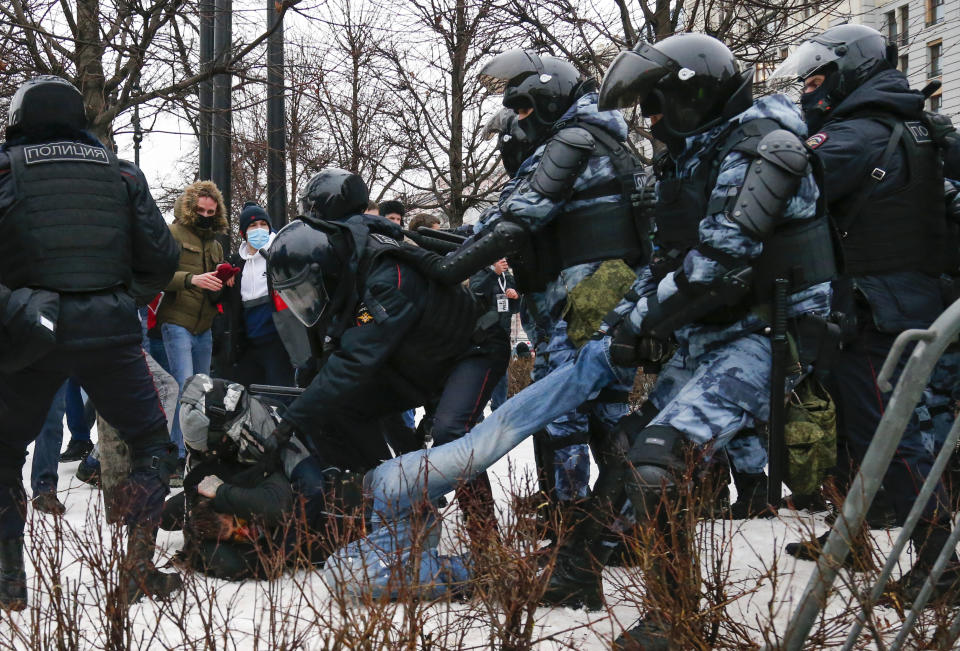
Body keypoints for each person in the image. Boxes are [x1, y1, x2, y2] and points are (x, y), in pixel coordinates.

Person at [772, 24, 960, 604]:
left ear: (850, 72)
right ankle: (855, 535)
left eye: (817, 75)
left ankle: (939, 568)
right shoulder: (922, 125)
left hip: (878, 311)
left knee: (888, 432)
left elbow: (782, 195)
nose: (808, 88)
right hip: (920, 304)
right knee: (891, 429)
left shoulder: (852, 135)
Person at [0, 75, 182, 609]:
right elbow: (163, 259)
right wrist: (121, 296)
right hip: (110, 328)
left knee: (5, 452)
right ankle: (138, 568)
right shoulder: (121, 172)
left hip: (29, 332)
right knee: (153, 445)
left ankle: (10, 581)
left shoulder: (6, 171)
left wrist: (17, 307)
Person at [271, 169, 509, 504]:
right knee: (337, 409)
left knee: (451, 433)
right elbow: (342, 347)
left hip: (472, 349)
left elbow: (355, 360)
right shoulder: (353, 261)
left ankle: (486, 544)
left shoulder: (385, 276)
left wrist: (290, 422)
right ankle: (389, 498)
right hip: (423, 357)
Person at [156, 180, 229, 482]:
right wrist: (191, 280)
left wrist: (224, 283)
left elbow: (214, 290)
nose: (205, 215)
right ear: (189, 208)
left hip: (204, 325)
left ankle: (195, 452)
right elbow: (158, 276)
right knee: (184, 389)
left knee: (200, 393)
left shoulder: (215, 245)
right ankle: (176, 455)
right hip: (177, 322)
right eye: (200, 210)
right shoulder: (172, 234)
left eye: (211, 211)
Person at [221, 202, 305, 387]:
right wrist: (222, 278)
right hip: (247, 344)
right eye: (253, 225)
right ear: (243, 232)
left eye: (263, 224)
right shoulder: (236, 262)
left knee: (280, 393)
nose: (259, 229)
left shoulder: (280, 252)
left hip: (278, 341)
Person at [469, 258, 519, 411]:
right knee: (479, 375)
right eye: (500, 258)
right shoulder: (479, 271)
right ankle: (475, 416)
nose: (504, 261)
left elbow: (515, 309)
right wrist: (493, 273)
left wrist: (515, 296)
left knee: (501, 376)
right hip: (484, 333)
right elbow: (476, 293)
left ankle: (499, 412)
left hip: (503, 333)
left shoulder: (507, 276)